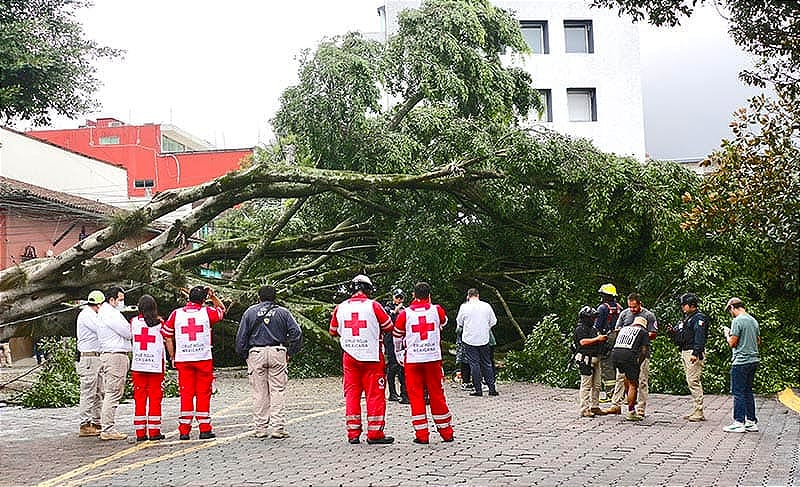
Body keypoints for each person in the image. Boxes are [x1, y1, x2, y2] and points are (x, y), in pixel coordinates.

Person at [329, 274, 395, 445]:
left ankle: (353, 433)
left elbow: (333, 330)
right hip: (371, 356)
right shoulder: (374, 306)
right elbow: (389, 326)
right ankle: (375, 433)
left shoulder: (340, 308)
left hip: (349, 356)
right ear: (368, 289)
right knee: (375, 394)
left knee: (352, 394)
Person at [235, 285, 303, 439]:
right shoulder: (283, 312)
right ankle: (278, 428)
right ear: (275, 297)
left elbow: (241, 337)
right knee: (277, 391)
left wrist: (245, 354)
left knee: (259, 392)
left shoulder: (250, 312)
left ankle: (260, 428)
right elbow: (296, 333)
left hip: (256, 353)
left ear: (258, 297)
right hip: (277, 352)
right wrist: (290, 352)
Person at [392, 282, 454, 444]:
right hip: (433, 358)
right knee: (437, 394)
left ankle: (422, 434)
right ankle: (446, 432)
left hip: (413, 359)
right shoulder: (437, 310)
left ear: (413, 295)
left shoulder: (405, 314)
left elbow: (397, 335)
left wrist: (399, 353)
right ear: (429, 295)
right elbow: (444, 322)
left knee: (416, 396)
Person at [163, 285, 226, 440]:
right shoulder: (207, 312)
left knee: (186, 393)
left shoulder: (176, 314)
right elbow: (221, 310)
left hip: (183, 359)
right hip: (203, 358)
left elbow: (167, 335)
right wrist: (213, 297)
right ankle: (204, 428)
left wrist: (172, 356)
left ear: (188, 298)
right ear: (203, 300)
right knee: (204, 393)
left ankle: (184, 430)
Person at [605, 293, 658, 416]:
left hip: (641, 353)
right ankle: (616, 404)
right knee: (620, 378)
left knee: (641, 380)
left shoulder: (648, 315)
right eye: (630, 307)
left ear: (640, 304)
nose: (632, 310)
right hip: (625, 351)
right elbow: (617, 330)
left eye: (635, 307)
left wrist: (639, 336)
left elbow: (654, 333)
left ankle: (640, 408)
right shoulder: (624, 314)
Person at [97, 286, 132, 440]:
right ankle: (108, 429)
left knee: (112, 392)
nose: (122, 303)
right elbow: (127, 332)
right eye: (120, 300)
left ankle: (107, 426)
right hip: (115, 356)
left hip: (112, 355)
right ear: (111, 300)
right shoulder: (111, 314)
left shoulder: (107, 313)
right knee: (113, 393)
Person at [130, 295, 166, 441]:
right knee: (155, 397)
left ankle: (140, 433)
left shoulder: (133, 322)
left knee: (139, 398)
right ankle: (154, 431)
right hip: (155, 365)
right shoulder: (160, 323)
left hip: (138, 365)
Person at [667, 292, 708, 422]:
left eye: (684, 305)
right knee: (691, 381)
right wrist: (673, 333)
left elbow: (699, 337)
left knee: (693, 381)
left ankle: (699, 411)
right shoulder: (688, 318)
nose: (682, 307)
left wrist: (696, 353)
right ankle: (696, 409)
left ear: (691, 305)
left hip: (692, 352)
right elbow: (683, 336)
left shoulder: (698, 318)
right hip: (685, 350)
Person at [722, 297, 760, 433]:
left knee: (738, 392)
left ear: (733, 308)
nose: (730, 313)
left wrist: (727, 334)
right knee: (748, 391)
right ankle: (751, 421)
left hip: (740, 361)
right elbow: (758, 341)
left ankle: (739, 422)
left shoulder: (737, 321)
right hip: (753, 360)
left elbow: (732, 343)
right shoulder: (753, 320)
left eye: (730, 310)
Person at [456, 288, 498, 397]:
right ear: (478, 295)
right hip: (484, 338)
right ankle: (492, 388)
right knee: (487, 363)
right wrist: (485, 327)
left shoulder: (464, 307)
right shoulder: (486, 306)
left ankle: (478, 389)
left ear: (468, 296)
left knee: (474, 364)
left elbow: (460, 322)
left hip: (469, 339)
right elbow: (493, 321)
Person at [76, 290, 105, 437]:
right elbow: (101, 329)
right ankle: (85, 424)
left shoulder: (92, 314)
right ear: (99, 304)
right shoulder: (87, 315)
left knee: (99, 391)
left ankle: (96, 421)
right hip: (89, 358)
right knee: (88, 392)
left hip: (96, 357)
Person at [611, 316, 650, 421]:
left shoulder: (624, 328)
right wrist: (639, 363)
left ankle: (626, 400)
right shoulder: (643, 332)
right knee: (633, 384)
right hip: (628, 355)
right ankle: (631, 411)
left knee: (626, 378)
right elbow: (644, 350)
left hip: (615, 355)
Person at [573, 306, 608, 418]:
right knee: (586, 385)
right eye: (591, 317)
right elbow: (583, 342)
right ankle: (584, 409)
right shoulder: (580, 329)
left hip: (596, 358)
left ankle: (595, 406)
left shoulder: (593, 329)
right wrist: (598, 339)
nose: (593, 319)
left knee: (597, 385)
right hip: (585, 359)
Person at [594, 283, 623, 403]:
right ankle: (621, 392)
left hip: (607, 339)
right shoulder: (619, 307)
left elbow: (597, 326)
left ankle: (610, 392)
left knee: (606, 364)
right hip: (620, 338)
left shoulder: (602, 308)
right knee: (618, 365)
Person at [383, 288, 408, 403]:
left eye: (401, 297)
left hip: (402, 340)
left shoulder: (405, 310)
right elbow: (386, 323)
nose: (399, 299)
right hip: (390, 340)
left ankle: (404, 392)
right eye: (397, 297)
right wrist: (395, 311)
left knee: (401, 366)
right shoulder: (387, 308)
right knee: (392, 366)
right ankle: (392, 392)